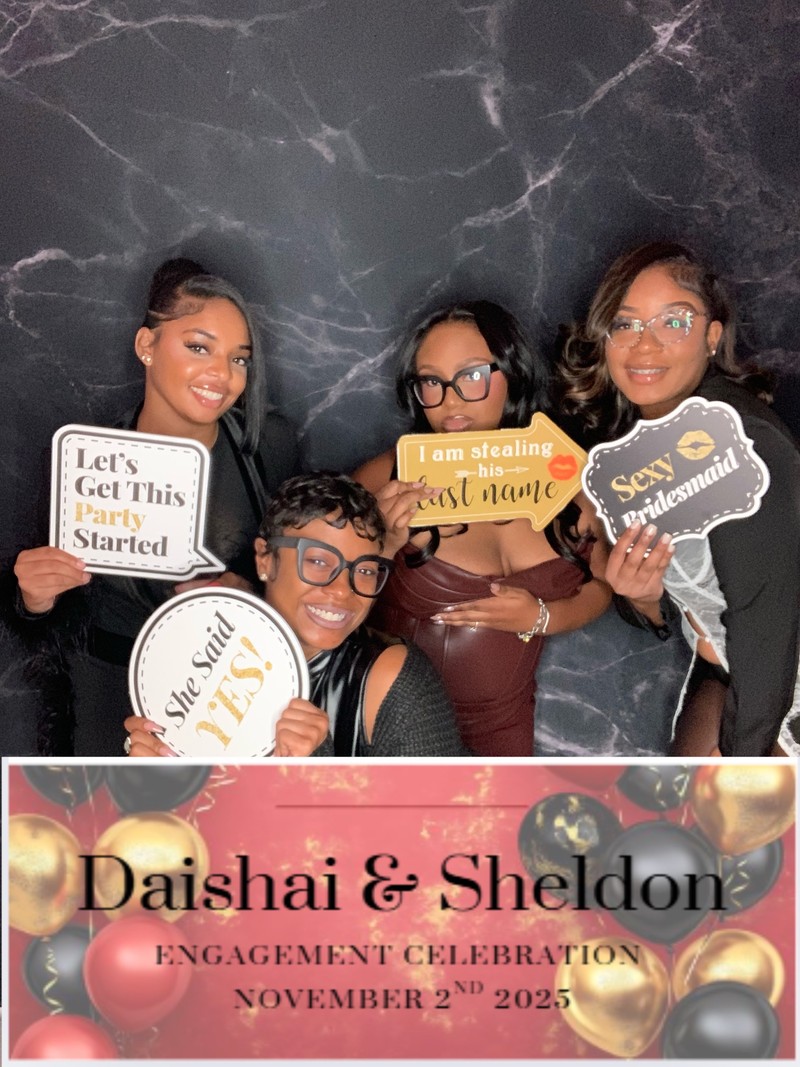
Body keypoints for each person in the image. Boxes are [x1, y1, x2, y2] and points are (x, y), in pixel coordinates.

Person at [13, 258, 297, 756]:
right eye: (198, 347)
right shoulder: (84, 464)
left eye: (239, 359)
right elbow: (48, 613)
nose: (221, 374)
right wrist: (34, 600)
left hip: (229, 702)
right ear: (147, 345)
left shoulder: (268, 446)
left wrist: (250, 592)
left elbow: (303, 575)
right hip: (108, 702)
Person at [558, 240, 800, 757]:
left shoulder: (742, 442)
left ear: (712, 336)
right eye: (625, 324)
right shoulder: (631, 450)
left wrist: (744, 760)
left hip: (777, 692)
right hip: (728, 678)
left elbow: (767, 621)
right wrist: (642, 596)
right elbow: (678, 601)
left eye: (674, 321)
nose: (644, 345)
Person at [353, 301, 612, 756]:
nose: (449, 400)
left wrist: (541, 618)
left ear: (513, 371)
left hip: (506, 728)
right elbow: (317, 599)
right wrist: (383, 547)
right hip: (394, 726)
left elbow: (605, 586)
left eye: (471, 375)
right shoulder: (387, 479)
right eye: (431, 382)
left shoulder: (569, 475)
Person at [125, 472, 467, 757]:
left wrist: (316, 771)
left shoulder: (391, 678)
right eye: (317, 561)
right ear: (265, 559)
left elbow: (441, 815)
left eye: (364, 570)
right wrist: (154, 775)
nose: (341, 591)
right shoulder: (194, 655)